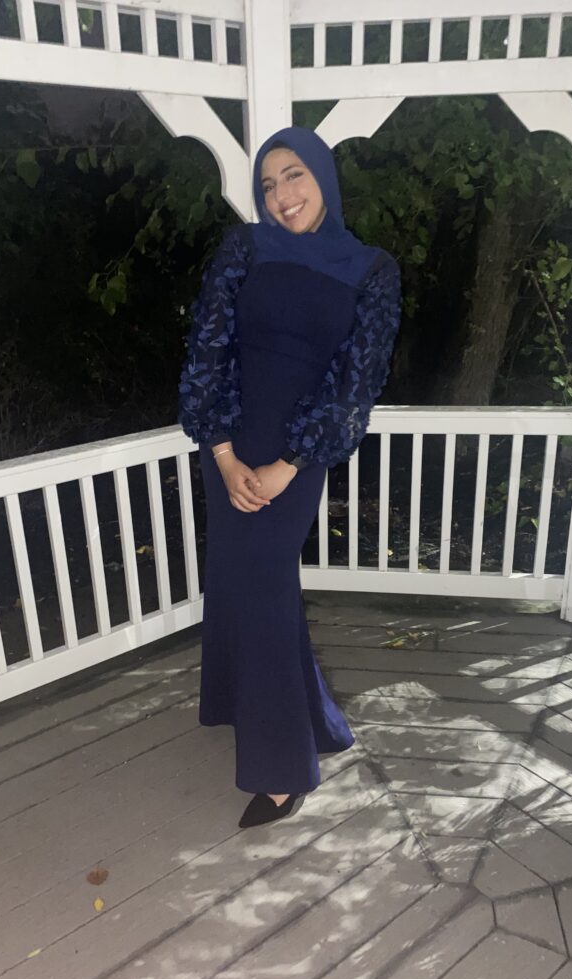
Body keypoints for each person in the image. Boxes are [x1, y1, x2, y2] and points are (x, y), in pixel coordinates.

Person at [178, 125, 401, 829]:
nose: (282, 195)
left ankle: (281, 770)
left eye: (294, 175)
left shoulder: (371, 270)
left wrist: (288, 464)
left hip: (297, 454)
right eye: (268, 184)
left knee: (265, 589)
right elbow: (207, 347)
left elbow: (354, 384)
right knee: (241, 583)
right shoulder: (245, 246)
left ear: (324, 179)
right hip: (231, 441)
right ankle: (314, 723)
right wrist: (221, 450)